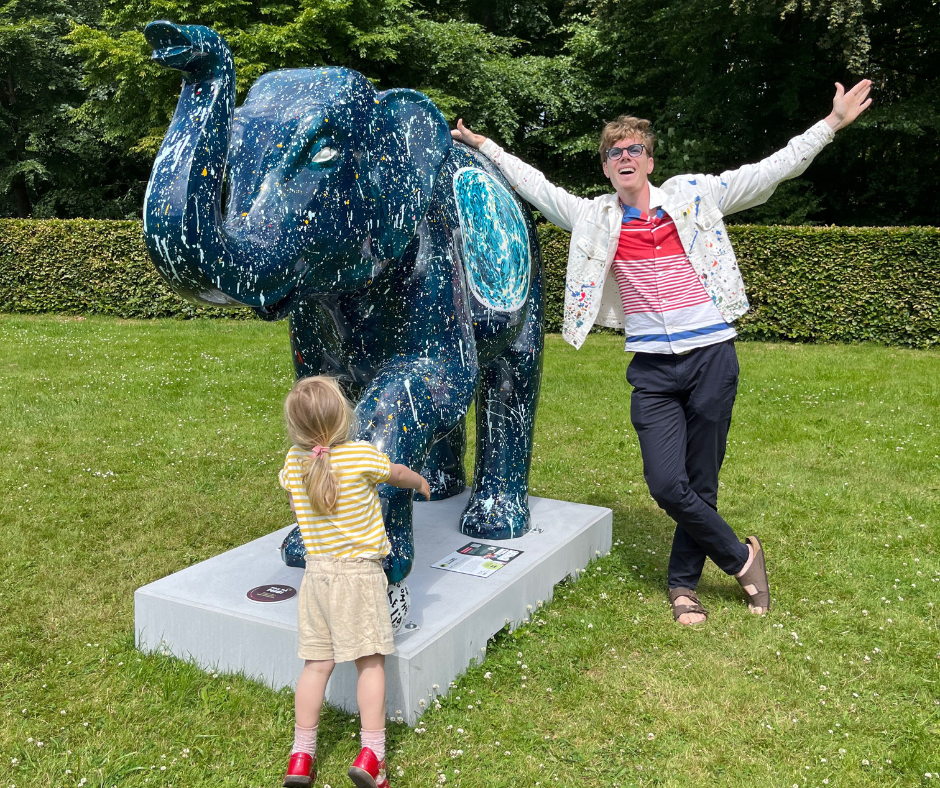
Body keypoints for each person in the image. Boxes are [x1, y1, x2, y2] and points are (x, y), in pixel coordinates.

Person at [452, 80, 872, 625]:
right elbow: (536, 185)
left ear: (649, 161)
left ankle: (683, 587)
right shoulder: (594, 217)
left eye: (634, 150)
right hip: (652, 368)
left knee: (701, 480)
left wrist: (832, 123)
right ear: (606, 168)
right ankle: (742, 558)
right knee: (667, 484)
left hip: (711, 356)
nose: (625, 157)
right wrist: (485, 146)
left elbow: (772, 169)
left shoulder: (695, 196)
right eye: (614, 153)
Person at [279, 376, 430, 788]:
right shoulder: (361, 455)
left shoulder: (294, 462)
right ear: (343, 415)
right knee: (370, 663)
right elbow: (396, 473)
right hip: (359, 576)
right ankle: (372, 756)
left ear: (296, 427)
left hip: (316, 577)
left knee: (316, 666)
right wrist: (419, 482)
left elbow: (296, 504)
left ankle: (301, 757)